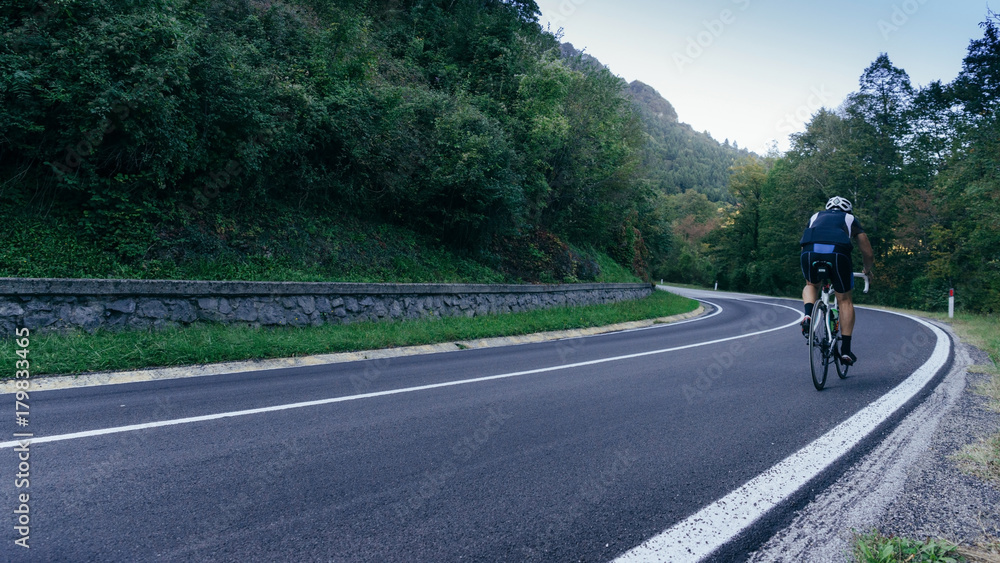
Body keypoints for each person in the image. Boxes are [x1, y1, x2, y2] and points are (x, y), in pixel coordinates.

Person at [799, 196, 874, 366]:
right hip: (838, 252)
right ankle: (846, 350)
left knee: (811, 285)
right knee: (844, 300)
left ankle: (808, 315)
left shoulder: (815, 216)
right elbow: (867, 252)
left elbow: (803, 244)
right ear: (848, 210)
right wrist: (867, 271)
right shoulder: (850, 219)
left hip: (810, 250)